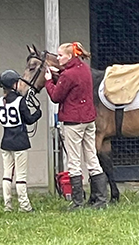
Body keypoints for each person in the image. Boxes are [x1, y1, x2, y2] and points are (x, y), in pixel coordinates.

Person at [45, 42, 108, 210]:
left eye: (60, 55)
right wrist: (59, 73)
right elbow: (73, 80)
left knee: (74, 161)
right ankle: (101, 199)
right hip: (89, 119)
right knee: (92, 158)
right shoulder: (84, 69)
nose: (58, 58)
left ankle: (78, 202)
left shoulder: (68, 75)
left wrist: (48, 81)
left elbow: (56, 96)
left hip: (73, 121)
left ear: (70, 56)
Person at [0, 69, 42, 213]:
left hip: (6, 140)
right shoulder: (20, 101)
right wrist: (38, 113)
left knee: (7, 174)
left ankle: (7, 204)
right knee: (21, 176)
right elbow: (28, 119)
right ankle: (24, 205)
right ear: (14, 85)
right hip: (20, 141)